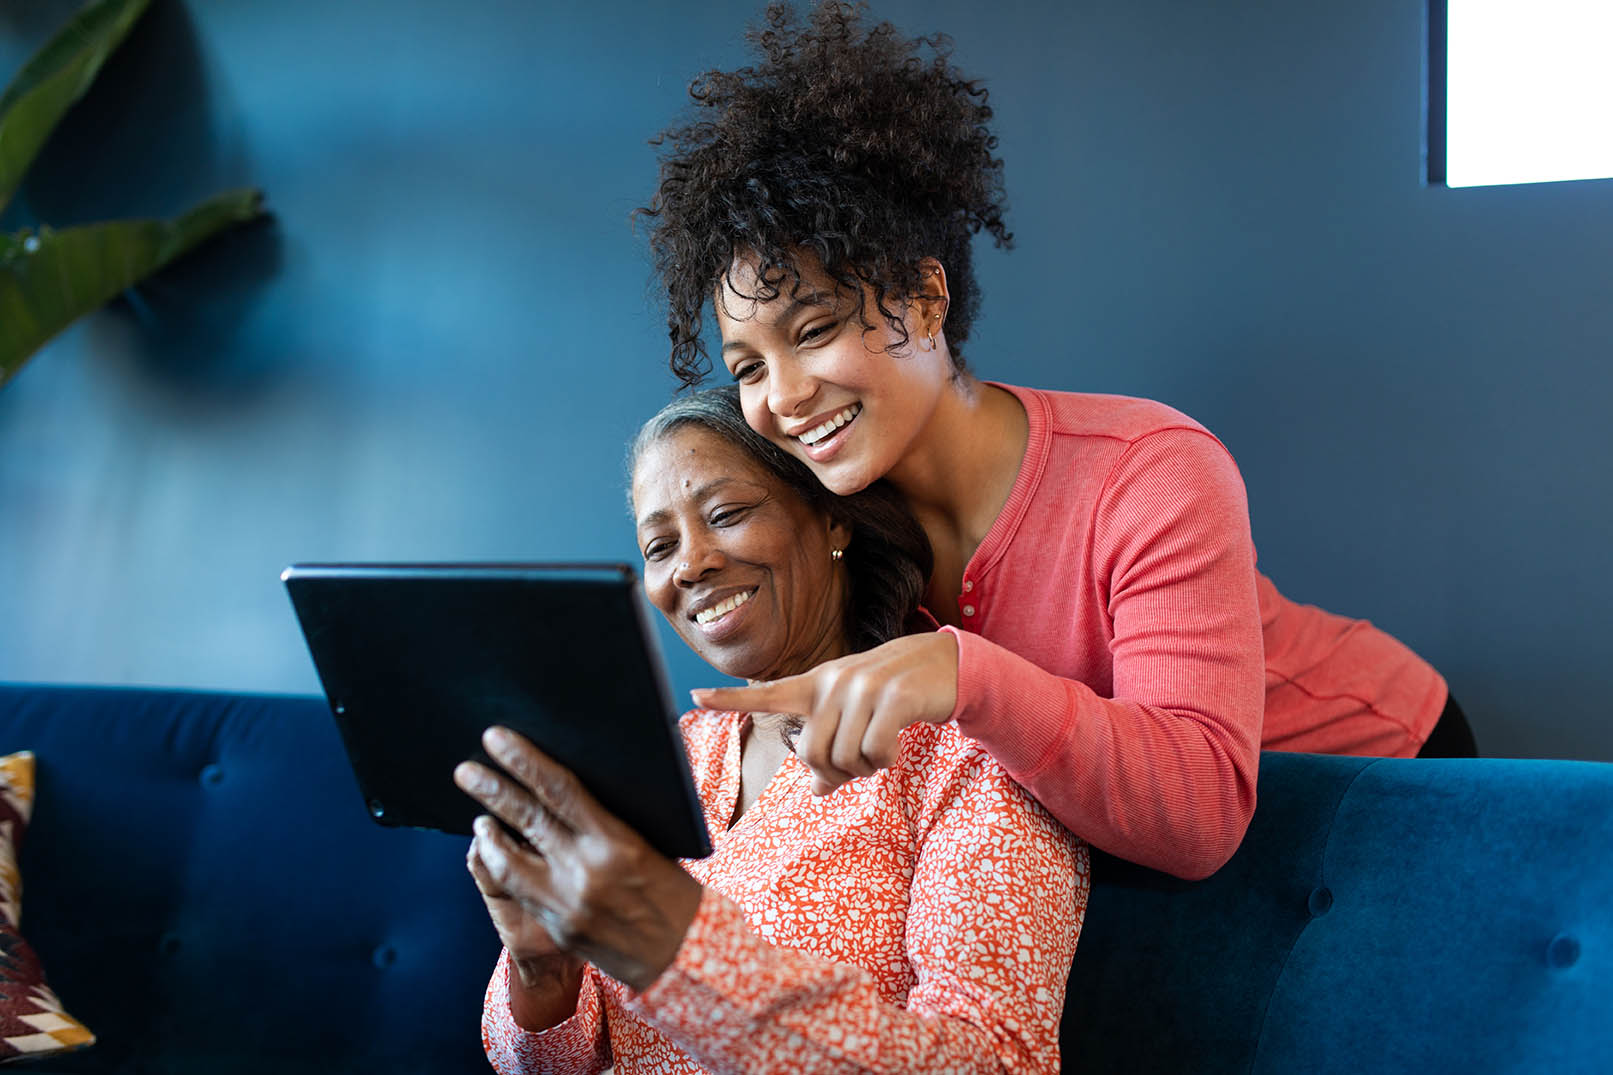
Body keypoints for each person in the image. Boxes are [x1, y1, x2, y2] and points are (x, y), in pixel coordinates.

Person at [637, 1, 1476, 882]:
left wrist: (966, 673)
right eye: (748, 365)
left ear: (925, 300)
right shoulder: (837, 521)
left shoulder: (1150, 470)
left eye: (812, 332)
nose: (783, 397)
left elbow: (1197, 807)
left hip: (1374, 768)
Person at [455, 387, 1088, 1074]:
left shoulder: (970, 750)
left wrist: (681, 956)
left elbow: (994, 1061)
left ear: (830, 519)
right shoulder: (673, 750)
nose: (690, 563)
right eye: (659, 545)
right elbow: (542, 1066)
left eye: (725, 514)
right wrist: (542, 968)